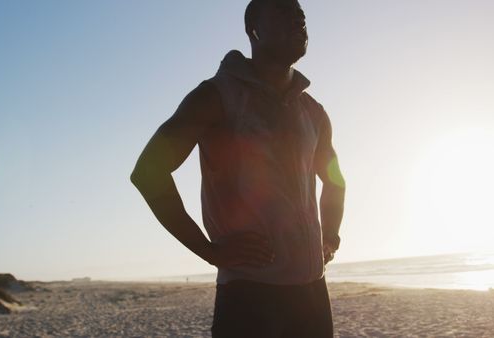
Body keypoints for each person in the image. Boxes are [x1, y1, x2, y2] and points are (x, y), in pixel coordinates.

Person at [131, 0, 345, 336]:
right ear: (253, 29)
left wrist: (329, 237)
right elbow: (148, 171)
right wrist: (209, 251)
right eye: (283, 12)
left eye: (301, 15)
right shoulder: (216, 97)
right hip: (249, 295)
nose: (298, 20)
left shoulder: (313, 111)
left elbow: (335, 181)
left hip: (312, 296)